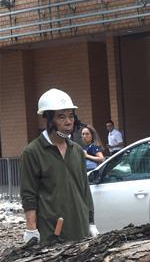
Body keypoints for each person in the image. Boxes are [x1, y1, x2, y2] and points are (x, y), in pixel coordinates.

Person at [20, 88, 97, 244]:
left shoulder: (76, 150)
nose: (68, 122)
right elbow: (29, 194)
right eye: (61, 117)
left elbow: (84, 189)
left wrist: (90, 222)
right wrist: (31, 228)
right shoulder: (33, 152)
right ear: (47, 119)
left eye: (71, 116)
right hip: (52, 233)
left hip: (80, 229)